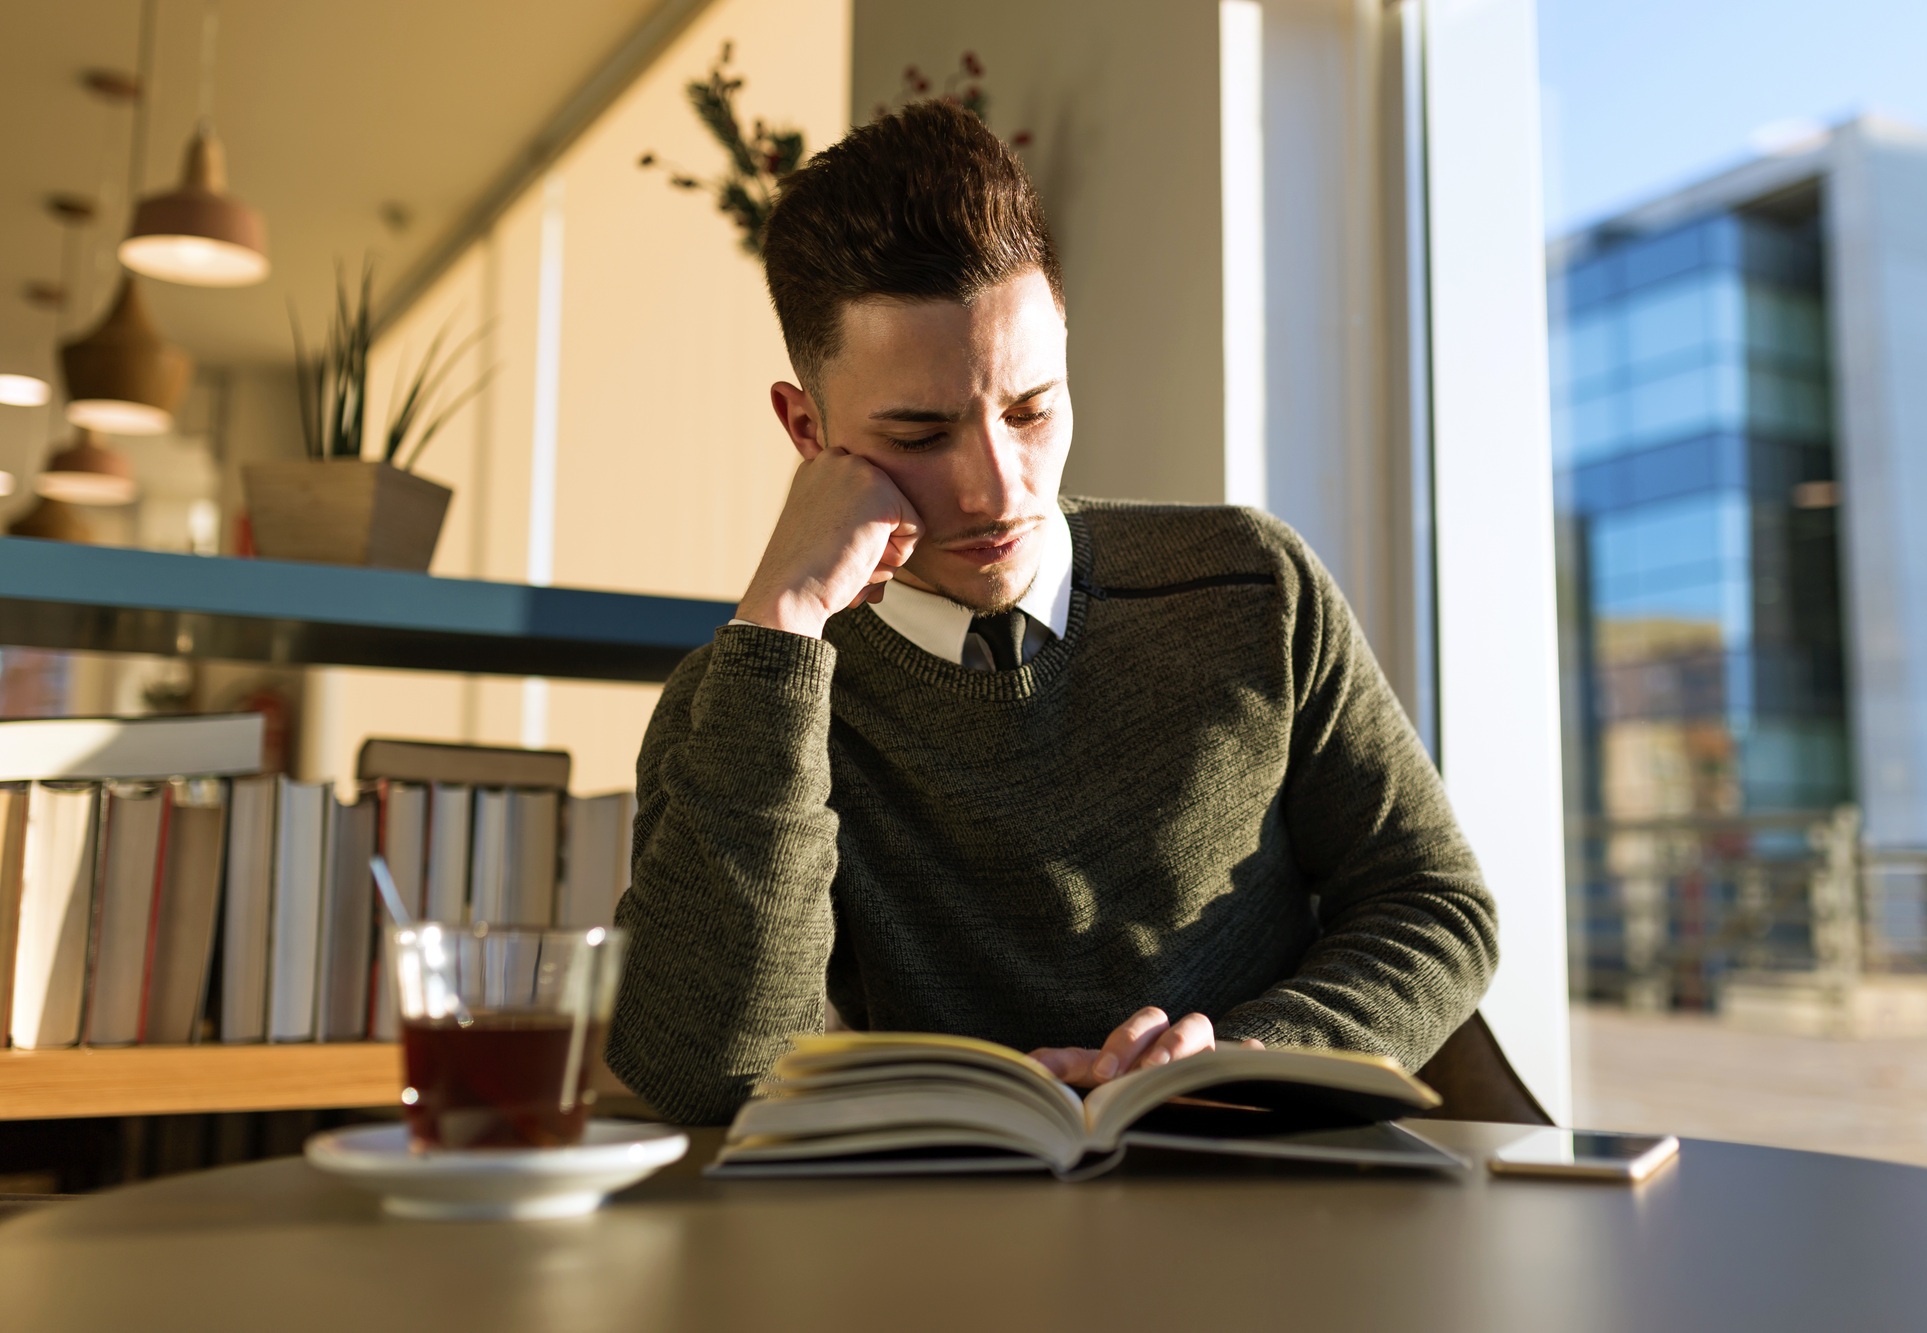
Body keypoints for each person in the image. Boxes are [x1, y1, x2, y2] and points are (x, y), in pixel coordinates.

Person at [607, 100, 1497, 1125]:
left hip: (1278, 1204)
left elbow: (1434, 904)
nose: (998, 488)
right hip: (954, 1253)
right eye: (919, 432)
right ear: (806, 428)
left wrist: (1257, 1056)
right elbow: (707, 1070)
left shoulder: (1252, 582)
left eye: (1031, 409)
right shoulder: (742, 708)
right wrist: (781, 620)